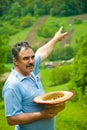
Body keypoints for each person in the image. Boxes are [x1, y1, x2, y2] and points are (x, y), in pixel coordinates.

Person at [2, 26, 68, 130]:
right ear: (16, 61)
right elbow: (12, 119)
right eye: (26, 58)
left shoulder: (29, 70)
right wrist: (42, 115)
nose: (31, 61)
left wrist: (55, 39)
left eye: (32, 57)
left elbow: (42, 52)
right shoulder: (13, 85)